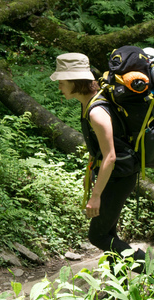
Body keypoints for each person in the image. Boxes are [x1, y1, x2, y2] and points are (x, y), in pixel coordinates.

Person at [51, 52, 147, 270]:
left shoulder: (96, 111)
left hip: (119, 177)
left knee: (98, 235)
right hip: (114, 175)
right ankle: (118, 290)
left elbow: (110, 156)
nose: (59, 88)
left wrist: (96, 197)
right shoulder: (89, 102)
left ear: (76, 82)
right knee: (109, 233)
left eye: (62, 82)